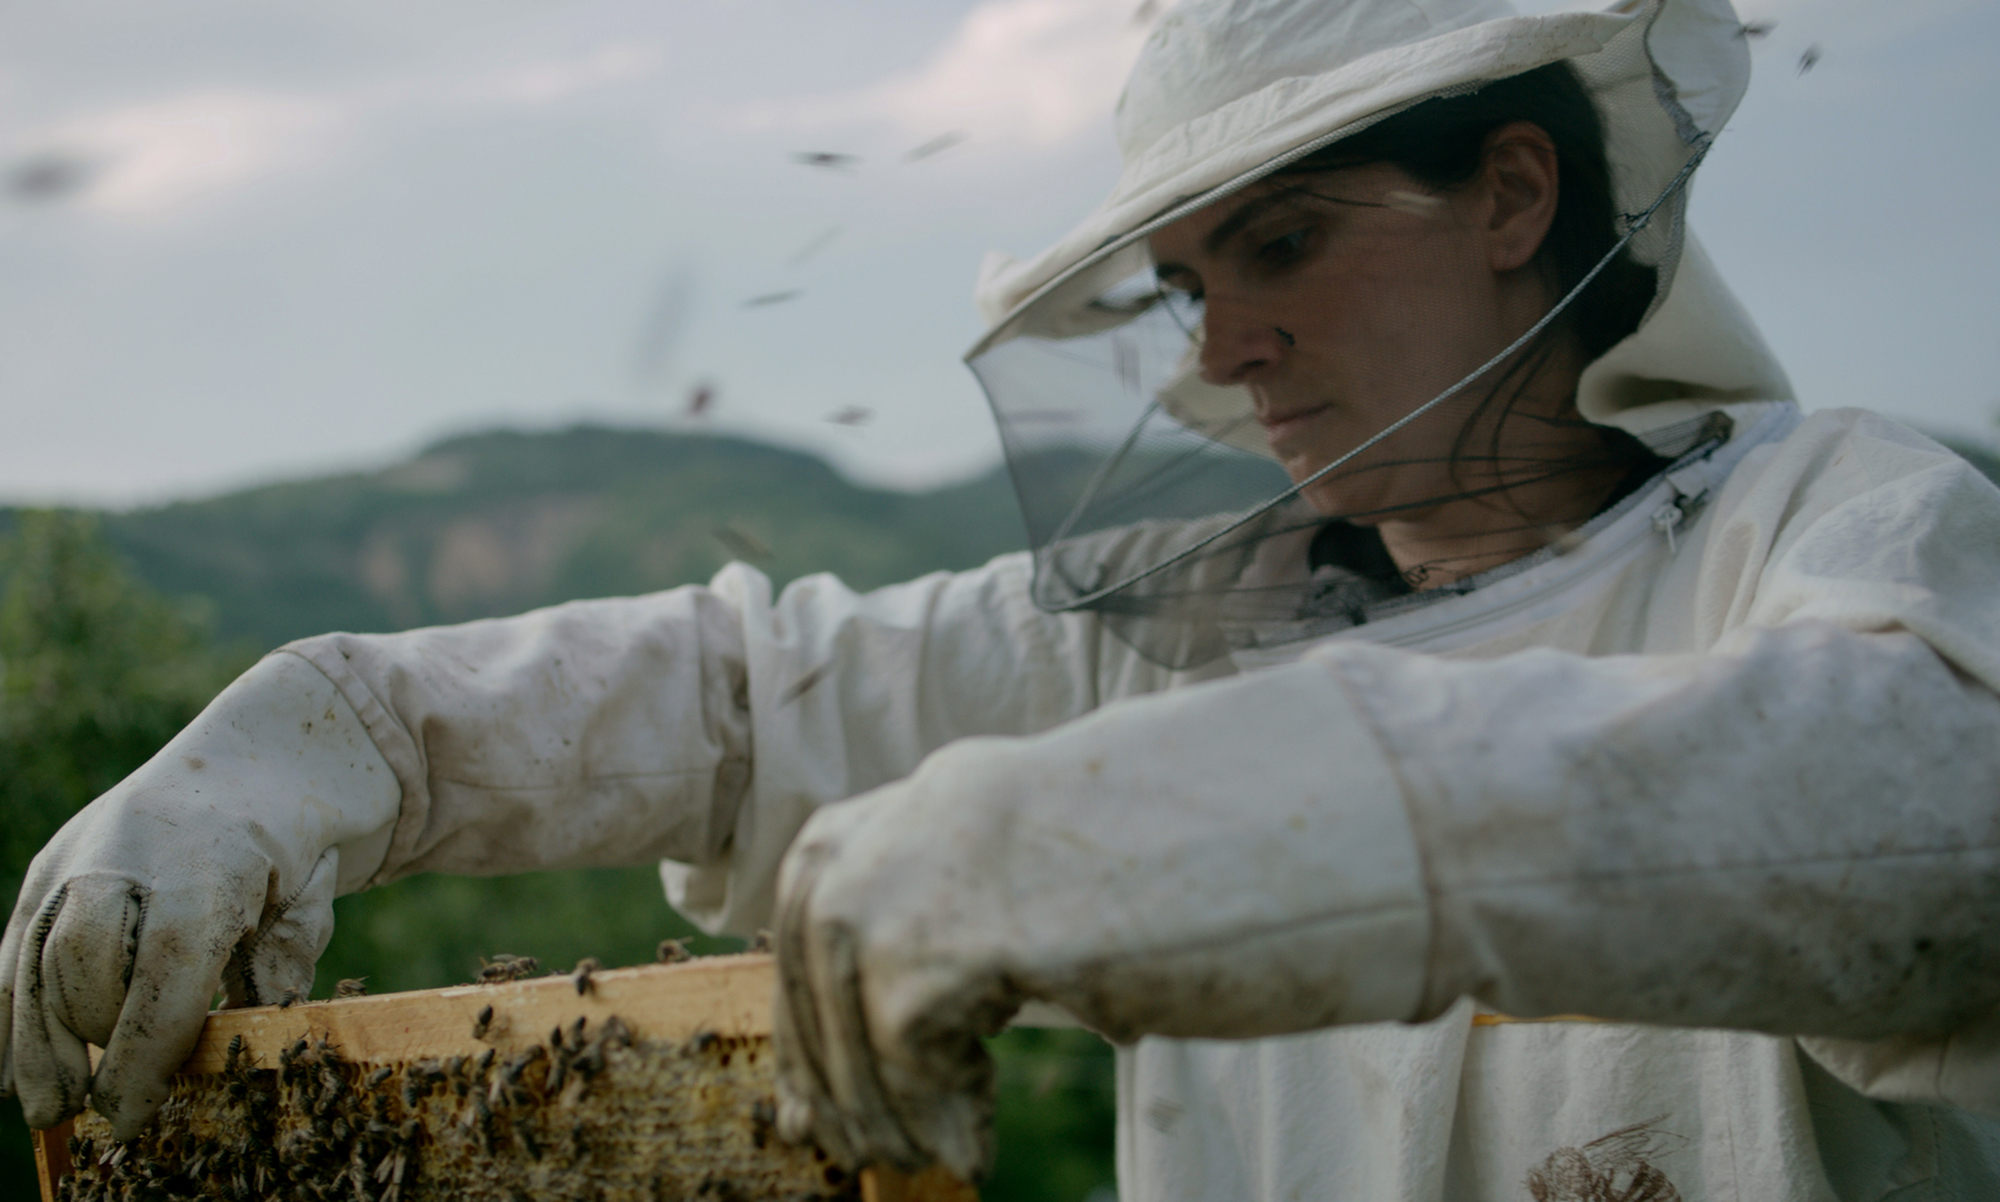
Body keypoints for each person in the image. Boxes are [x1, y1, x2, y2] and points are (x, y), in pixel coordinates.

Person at [7, 0, 2000, 1197]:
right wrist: (355, 728)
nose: (1220, 351)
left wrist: (1213, 819)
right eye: (1187, 284)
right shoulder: (1163, 636)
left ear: (1512, 193)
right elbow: (744, 700)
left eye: (1281, 244)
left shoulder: (1833, 525)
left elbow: (1916, 798)